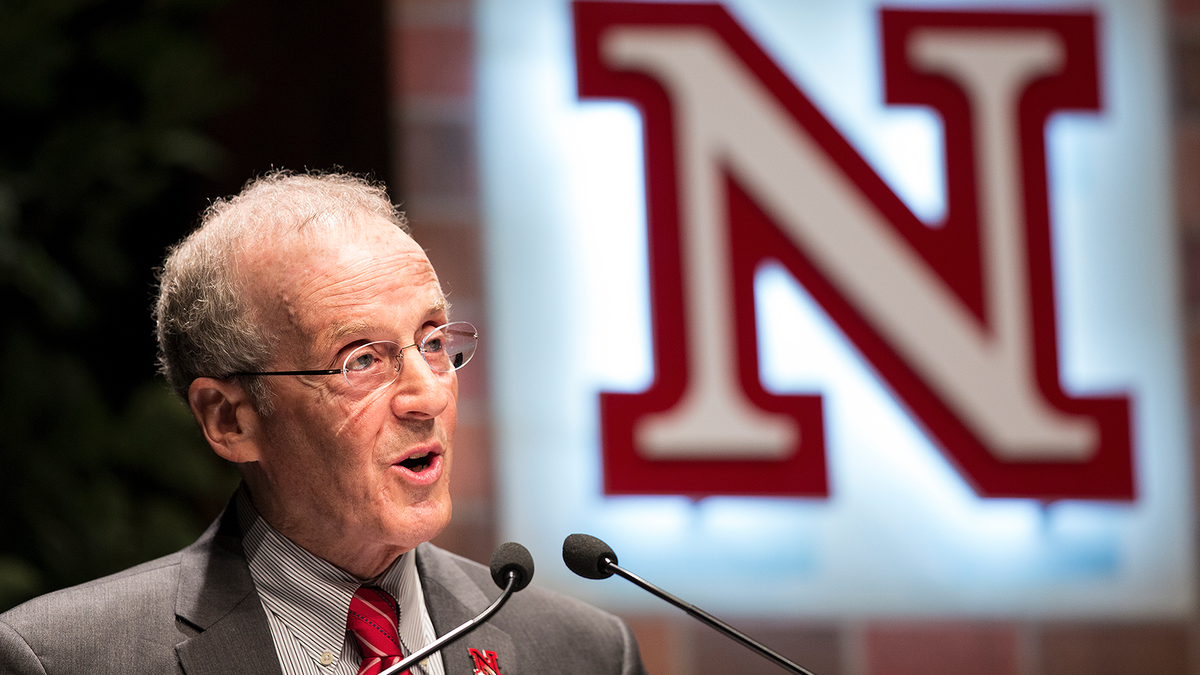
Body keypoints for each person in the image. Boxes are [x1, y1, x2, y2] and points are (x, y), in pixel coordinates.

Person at [0, 172, 647, 675]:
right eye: (361, 359)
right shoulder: (66, 659)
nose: (426, 395)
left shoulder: (582, 652)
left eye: (431, 340)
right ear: (230, 419)